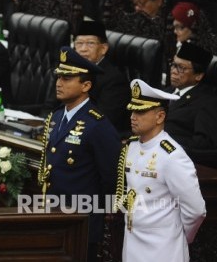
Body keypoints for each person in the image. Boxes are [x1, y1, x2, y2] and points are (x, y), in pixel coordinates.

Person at [40, 46, 120, 261]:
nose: (59, 83)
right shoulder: (57, 116)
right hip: (54, 216)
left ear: (86, 85)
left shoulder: (97, 125)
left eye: (67, 78)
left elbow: (110, 178)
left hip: (81, 223)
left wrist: (100, 221)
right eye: (59, 76)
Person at [116, 78, 206, 262]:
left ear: (160, 117)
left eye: (140, 111)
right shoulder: (132, 146)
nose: (133, 116)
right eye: (132, 110)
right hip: (132, 242)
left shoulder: (172, 156)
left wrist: (178, 235)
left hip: (163, 248)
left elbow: (196, 210)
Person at [74, 20, 130, 135]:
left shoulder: (115, 80)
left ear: (103, 48)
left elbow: (102, 119)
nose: (83, 49)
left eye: (90, 43)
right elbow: (51, 105)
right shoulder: (68, 69)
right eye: (79, 44)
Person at [165, 42, 217, 151]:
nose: (174, 71)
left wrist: (161, 139)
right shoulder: (164, 92)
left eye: (181, 68)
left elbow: (202, 144)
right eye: (173, 64)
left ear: (198, 76)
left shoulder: (207, 102)